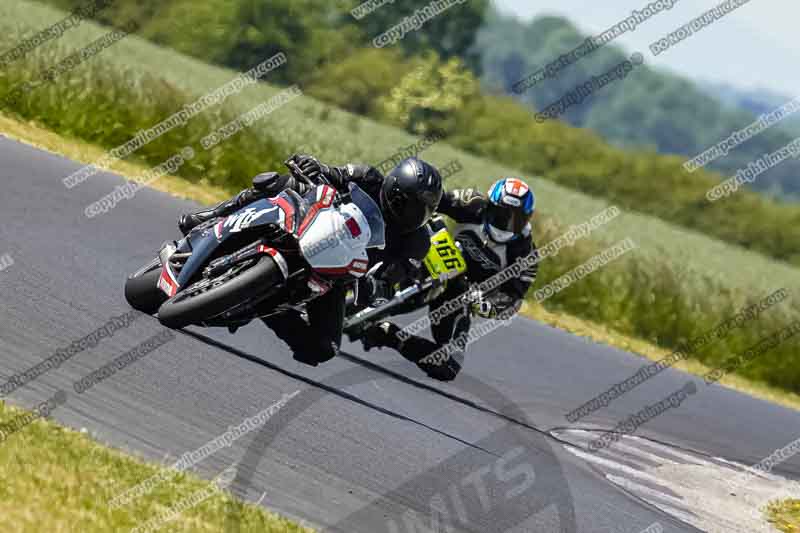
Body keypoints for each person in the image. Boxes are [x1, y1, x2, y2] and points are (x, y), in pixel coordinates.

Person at [177, 154, 443, 366]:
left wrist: (376, 287)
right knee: (280, 184)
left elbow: (394, 277)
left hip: (338, 274)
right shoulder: (369, 177)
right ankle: (211, 216)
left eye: (421, 210)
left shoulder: (416, 243)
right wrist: (313, 166)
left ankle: (268, 308)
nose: (410, 213)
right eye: (406, 203)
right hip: (309, 222)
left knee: (322, 349)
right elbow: (333, 174)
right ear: (392, 186)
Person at [360, 178, 538, 381]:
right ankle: (363, 282)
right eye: (501, 214)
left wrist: (490, 304)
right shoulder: (472, 202)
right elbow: (433, 199)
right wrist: (429, 222)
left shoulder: (526, 254)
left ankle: (388, 334)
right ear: (489, 206)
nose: (506, 224)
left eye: (516, 220)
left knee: (447, 365)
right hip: (434, 255)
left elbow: (513, 298)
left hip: (463, 294)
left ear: (527, 219)